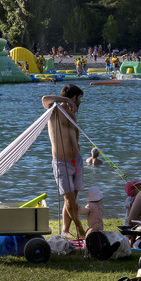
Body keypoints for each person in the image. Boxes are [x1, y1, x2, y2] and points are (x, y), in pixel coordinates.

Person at [42, 84, 86, 237]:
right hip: (61, 162)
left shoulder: (72, 114)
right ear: (73, 98)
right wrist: (65, 100)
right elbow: (45, 99)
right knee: (69, 198)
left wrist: (77, 144)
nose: (80, 101)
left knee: (72, 199)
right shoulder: (54, 110)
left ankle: (65, 230)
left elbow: (74, 132)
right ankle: (80, 228)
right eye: (79, 98)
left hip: (77, 161)